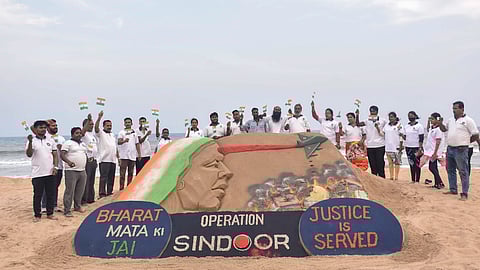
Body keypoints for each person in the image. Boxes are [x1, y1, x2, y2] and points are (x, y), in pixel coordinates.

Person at [439, 101, 479, 201]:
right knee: (450, 170)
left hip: (461, 149)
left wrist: (466, 142)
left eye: (456, 108)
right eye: (453, 108)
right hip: (450, 148)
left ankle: (464, 193)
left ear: (462, 109)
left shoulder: (468, 120)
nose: (454, 110)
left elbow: (475, 134)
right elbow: (444, 129)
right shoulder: (451, 120)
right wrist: (440, 124)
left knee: (463, 171)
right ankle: (453, 189)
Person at [26, 120, 58, 222]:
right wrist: (30, 142)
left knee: (51, 194)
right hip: (37, 173)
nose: (43, 129)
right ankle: (37, 215)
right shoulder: (32, 141)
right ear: (35, 129)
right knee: (38, 195)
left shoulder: (50, 140)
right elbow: (29, 154)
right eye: (40, 127)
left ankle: (50, 213)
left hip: (50, 172)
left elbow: (55, 155)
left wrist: (55, 167)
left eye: (44, 127)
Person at [61, 127, 87, 217]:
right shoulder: (68, 143)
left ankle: (77, 206)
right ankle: (67, 210)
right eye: (77, 133)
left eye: (80, 133)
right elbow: (62, 154)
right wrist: (69, 162)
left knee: (80, 190)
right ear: (72, 134)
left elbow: (84, 154)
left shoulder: (83, 144)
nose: (79, 134)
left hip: (82, 170)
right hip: (71, 170)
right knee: (70, 191)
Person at [41, 119, 65, 212]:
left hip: (59, 166)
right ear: (47, 127)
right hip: (48, 166)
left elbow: (64, 152)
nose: (55, 127)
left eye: (56, 125)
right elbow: (33, 128)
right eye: (53, 126)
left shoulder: (61, 138)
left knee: (55, 186)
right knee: (47, 187)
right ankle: (44, 206)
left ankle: (54, 205)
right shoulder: (45, 137)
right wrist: (45, 122)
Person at [357, 105, 387, 178]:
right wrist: (357, 115)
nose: (372, 112)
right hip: (370, 145)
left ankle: (382, 179)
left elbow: (386, 132)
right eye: (371, 111)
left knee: (380, 164)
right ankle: (375, 181)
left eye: (374, 111)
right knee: (373, 165)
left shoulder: (383, 121)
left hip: (380, 145)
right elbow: (358, 124)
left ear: (377, 112)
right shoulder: (367, 121)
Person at [419, 113, 446, 189]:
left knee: (432, 168)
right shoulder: (432, 128)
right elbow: (428, 129)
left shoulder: (438, 130)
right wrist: (428, 121)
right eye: (430, 119)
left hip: (434, 152)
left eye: (432, 119)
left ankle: (440, 183)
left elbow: (438, 141)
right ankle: (437, 183)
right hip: (430, 151)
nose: (431, 120)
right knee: (434, 167)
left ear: (437, 120)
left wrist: (435, 153)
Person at [95, 110, 118, 197]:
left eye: (110, 125)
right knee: (103, 177)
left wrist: (117, 157)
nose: (109, 127)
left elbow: (114, 146)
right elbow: (96, 128)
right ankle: (102, 193)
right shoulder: (101, 133)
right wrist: (99, 117)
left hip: (113, 159)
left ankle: (109, 192)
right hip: (104, 159)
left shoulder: (112, 135)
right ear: (103, 126)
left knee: (111, 178)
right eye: (107, 125)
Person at [380, 112, 404, 180]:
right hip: (388, 147)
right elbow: (383, 134)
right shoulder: (386, 126)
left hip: (396, 147)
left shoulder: (399, 125)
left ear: (395, 117)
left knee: (397, 163)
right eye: (390, 117)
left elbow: (401, 136)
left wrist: (401, 146)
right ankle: (391, 177)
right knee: (390, 163)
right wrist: (378, 128)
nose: (391, 118)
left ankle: (396, 177)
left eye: (392, 117)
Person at [402, 111, 425, 183]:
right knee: (411, 163)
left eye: (411, 115)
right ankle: (412, 179)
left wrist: (420, 147)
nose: (410, 117)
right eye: (409, 116)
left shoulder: (419, 126)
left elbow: (421, 137)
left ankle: (417, 180)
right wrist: (401, 135)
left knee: (417, 164)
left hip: (416, 147)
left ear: (415, 116)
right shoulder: (406, 126)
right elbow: (405, 137)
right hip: (408, 147)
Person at [81, 114, 97, 204]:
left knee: (91, 181)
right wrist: (88, 120)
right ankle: (84, 199)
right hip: (87, 160)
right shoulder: (84, 134)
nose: (92, 126)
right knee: (86, 181)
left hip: (93, 160)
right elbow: (82, 131)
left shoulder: (92, 135)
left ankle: (91, 198)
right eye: (90, 124)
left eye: (92, 124)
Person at [118, 118, 138, 190]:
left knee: (131, 173)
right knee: (122, 174)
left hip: (132, 156)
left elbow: (137, 144)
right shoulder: (121, 132)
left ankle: (129, 188)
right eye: (126, 122)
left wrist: (139, 154)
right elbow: (119, 142)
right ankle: (121, 188)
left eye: (129, 122)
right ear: (124, 124)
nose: (127, 124)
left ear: (131, 123)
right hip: (124, 156)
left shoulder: (134, 133)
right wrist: (124, 141)